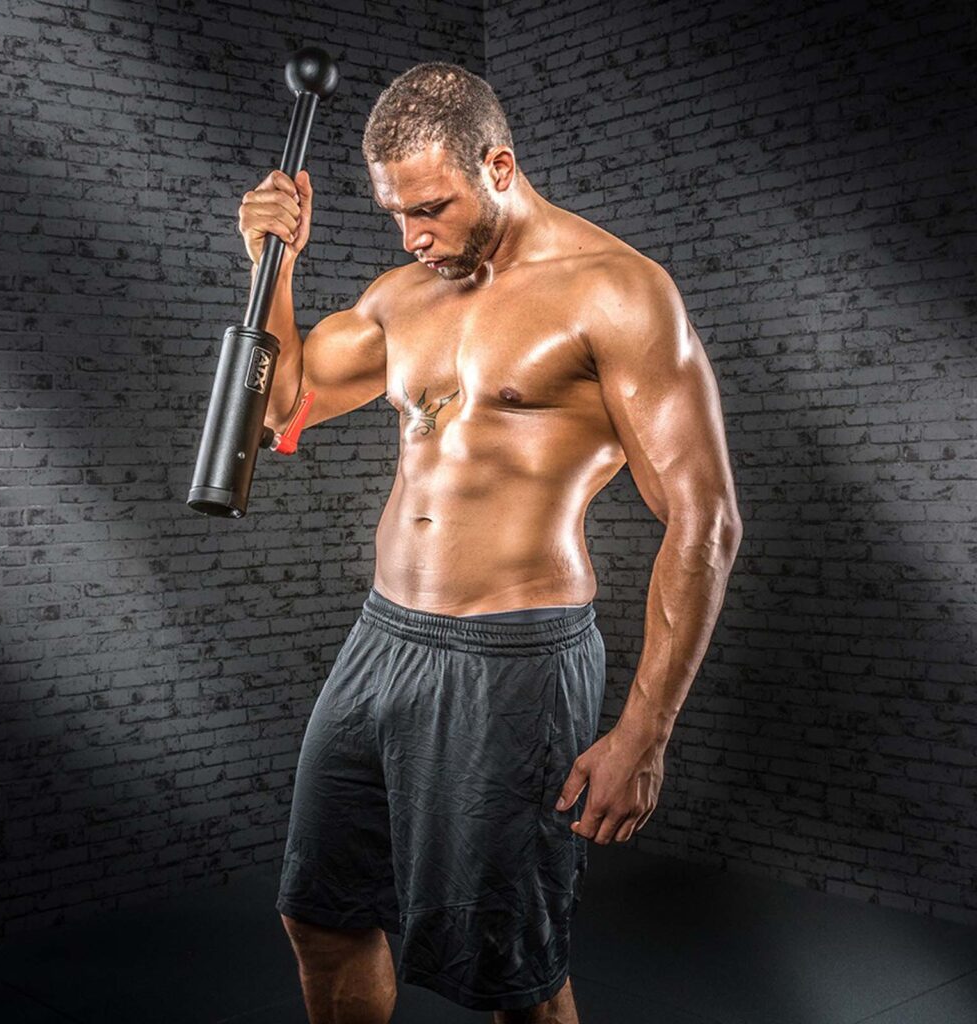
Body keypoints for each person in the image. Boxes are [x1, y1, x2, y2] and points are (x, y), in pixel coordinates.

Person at [238, 62, 742, 1023]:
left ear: (499, 166)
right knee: (322, 912)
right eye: (394, 214)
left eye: (430, 207)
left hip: (513, 659)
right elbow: (278, 409)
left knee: (513, 969)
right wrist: (276, 264)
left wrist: (644, 732)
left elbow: (704, 520)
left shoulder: (618, 293)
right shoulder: (401, 295)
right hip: (381, 643)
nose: (412, 235)